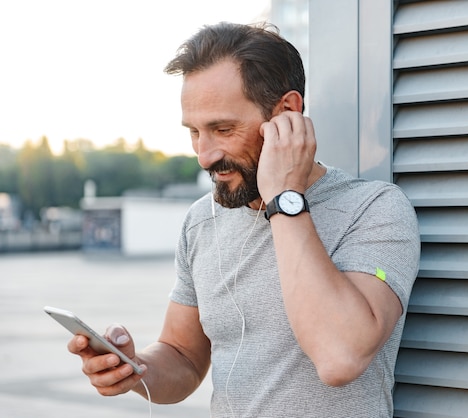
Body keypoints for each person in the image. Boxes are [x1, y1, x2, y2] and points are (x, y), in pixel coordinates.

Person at [68, 22, 420, 417]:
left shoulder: (375, 209)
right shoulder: (202, 221)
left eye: (223, 129)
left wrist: (285, 197)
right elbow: (183, 355)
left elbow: (340, 358)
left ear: (287, 112)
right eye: (195, 132)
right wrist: (134, 369)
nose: (204, 155)